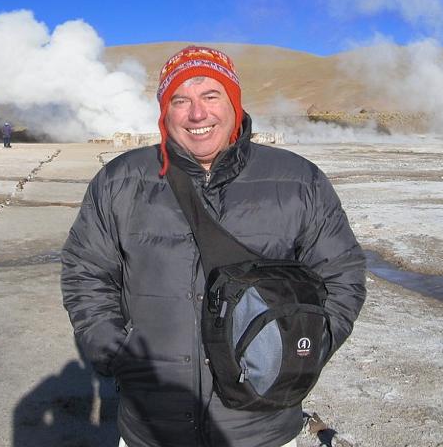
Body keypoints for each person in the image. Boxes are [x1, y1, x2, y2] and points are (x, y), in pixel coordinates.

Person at [61, 45, 366, 447]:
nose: (197, 114)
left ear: (234, 103)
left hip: (263, 430)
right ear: (164, 112)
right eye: (180, 100)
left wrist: (301, 351)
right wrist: (117, 355)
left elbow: (341, 275)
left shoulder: (299, 181)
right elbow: (87, 272)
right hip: (152, 428)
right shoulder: (120, 181)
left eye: (210, 96)